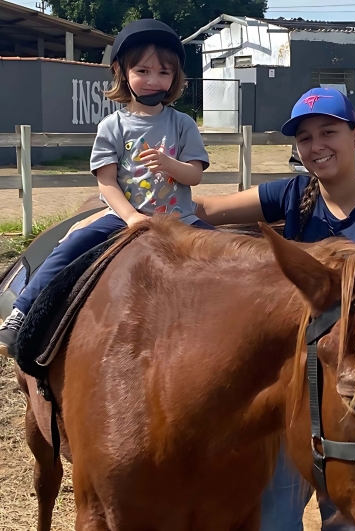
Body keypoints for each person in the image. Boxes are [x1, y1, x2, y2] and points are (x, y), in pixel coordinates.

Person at [193, 86, 355, 529]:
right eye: (305, 138)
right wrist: (143, 206)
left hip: (351, 395)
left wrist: (292, 257)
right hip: (292, 390)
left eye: (328, 132)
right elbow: (208, 211)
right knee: (274, 516)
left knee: (351, 514)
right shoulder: (292, 193)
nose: (316, 146)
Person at [0, 19, 213, 358]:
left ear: (175, 78)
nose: (153, 80)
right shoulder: (112, 126)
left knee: (228, 249)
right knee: (70, 246)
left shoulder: (182, 123)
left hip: (179, 216)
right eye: (143, 70)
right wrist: (130, 218)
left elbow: (194, 176)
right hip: (122, 216)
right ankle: (21, 311)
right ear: (121, 71)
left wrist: (169, 164)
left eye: (164, 72)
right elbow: (107, 182)